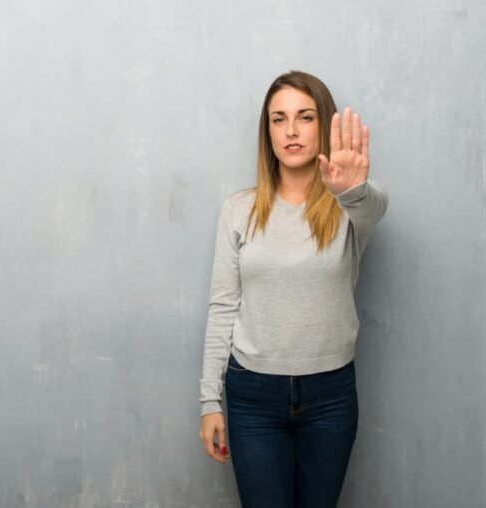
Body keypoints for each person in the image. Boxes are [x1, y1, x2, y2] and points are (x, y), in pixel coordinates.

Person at [197, 70, 389, 508]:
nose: (291, 131)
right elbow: (223, 306)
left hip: (330, 397)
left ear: (324, 123)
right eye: (278, 119)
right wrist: (210, 400)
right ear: (267, 132)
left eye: (304, 117)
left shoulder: (350, 208)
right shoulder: (239, 210)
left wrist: (352, 189)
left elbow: (376, 206)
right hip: (253, 396)